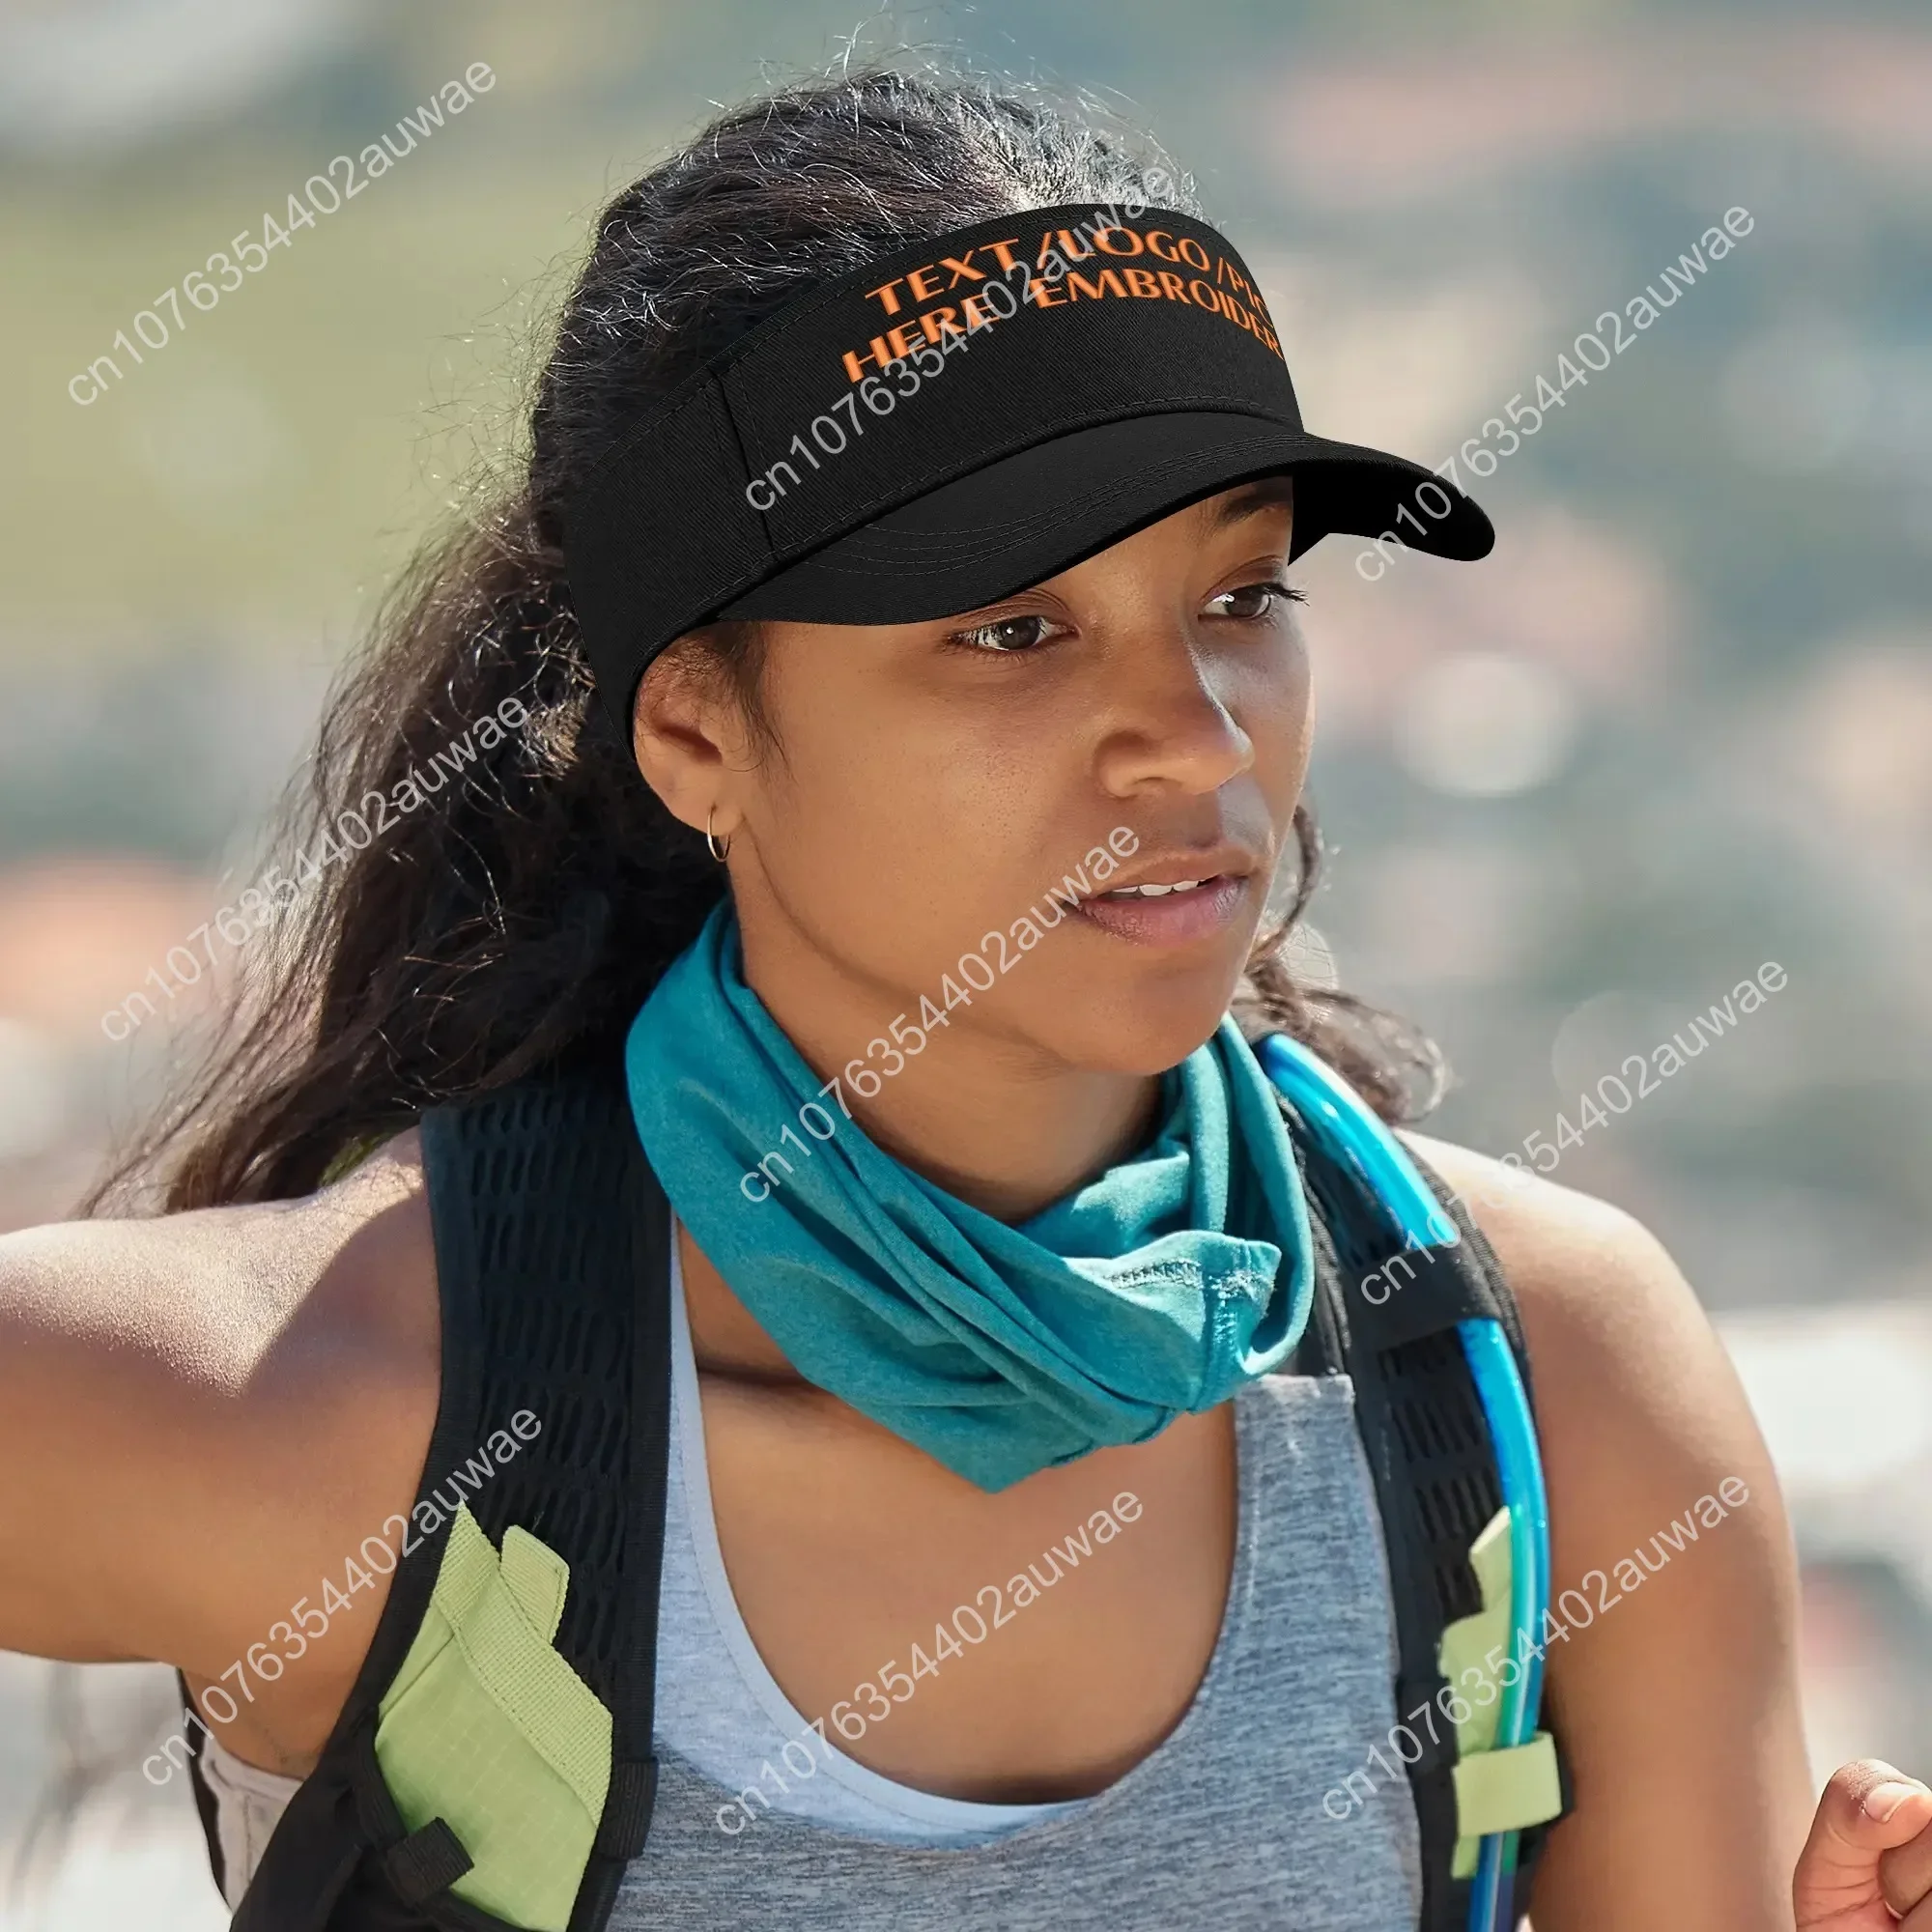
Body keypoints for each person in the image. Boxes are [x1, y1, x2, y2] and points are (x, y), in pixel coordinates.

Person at [1, 61, 1927, 1932]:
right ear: (693, 728)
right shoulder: (332, 1413)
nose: (1188, 737)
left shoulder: (1554, 1389)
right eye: (1013, 629)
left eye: (1241, 598)